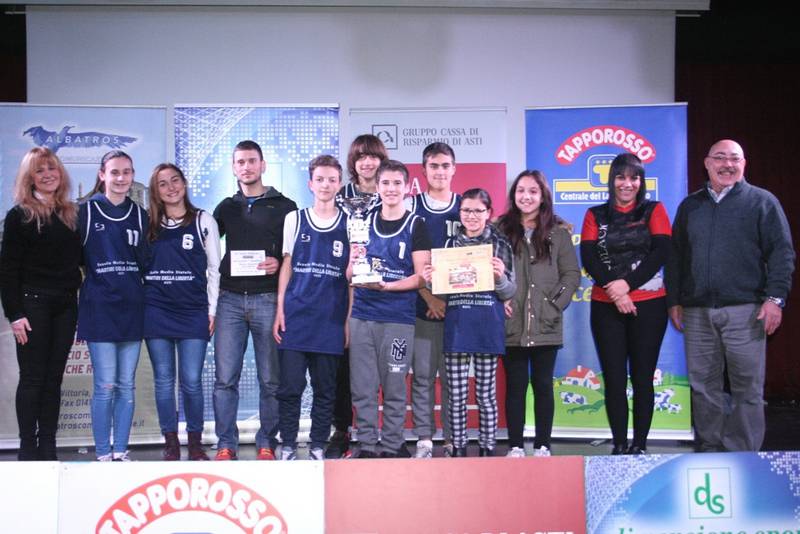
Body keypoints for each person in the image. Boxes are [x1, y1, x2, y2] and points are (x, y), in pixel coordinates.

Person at [665, 139, 795, 452]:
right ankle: (710, 449)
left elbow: (782, 253)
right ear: (707, 164)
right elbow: (676, 256)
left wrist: (775, 299)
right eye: (720, 158)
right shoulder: (690, 206)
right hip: (697, 313)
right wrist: (675, 300)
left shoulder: (762, 202)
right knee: (703, 388)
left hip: (747, 312)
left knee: (747, 389)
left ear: (744, 164)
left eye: (734, 158)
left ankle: (743, 453)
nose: (727, 164)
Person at [580, 153, 671, 455]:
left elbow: (661, 253)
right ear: (612, 180)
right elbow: (590, 258)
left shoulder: (654, 209)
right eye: (621, 177)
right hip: (605, 306)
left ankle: (639, 445)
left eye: (634, 177)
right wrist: (617, 293)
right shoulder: (595, 214)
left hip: (650, 305)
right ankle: (619, 444)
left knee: (643, 378)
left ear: (641, 181)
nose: (627, 183)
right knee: (615, 379)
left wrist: (626, 286)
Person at [212, 140, 297, 461]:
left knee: (270, 379)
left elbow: (294, 256)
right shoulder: (225, 208)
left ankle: (266, 442)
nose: (246, 167)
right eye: (239, 162)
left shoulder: (285, 206)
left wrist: (277, 261)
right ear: (233, 168)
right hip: (230, 300)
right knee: (225, 379)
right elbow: (205, 249)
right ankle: (225, 444)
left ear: (262, 166)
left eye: (251, 161)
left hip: (267, 299)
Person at [0, 147, 81, 460]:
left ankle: (47, 444)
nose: (48, 175)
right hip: (32, 307)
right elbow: (8, 269)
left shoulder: (70, 214)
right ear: (29, 178)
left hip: (65, 306)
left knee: (54, 379)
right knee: (33, 378)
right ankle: (27, 447)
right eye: (40, 171)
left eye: (53, 169)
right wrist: (15, 314)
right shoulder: (19, 215)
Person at [348, 159, 431, 458]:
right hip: (363, 316)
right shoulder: (362, 221)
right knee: (364, 387)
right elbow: (350, 275)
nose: (391, 189)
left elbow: (422, 276)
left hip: (398, 318)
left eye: (397, 183)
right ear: (377, 186)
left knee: (395, 385)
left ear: (407, 187)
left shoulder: (416, 225)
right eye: (386, 183)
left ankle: (394, 444)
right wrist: (355, 261)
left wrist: (388, 286)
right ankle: (368, 445)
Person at [427, 188, 515, 457]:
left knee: (486, 396)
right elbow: (441, 292)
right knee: (456, 396)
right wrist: (431, 280)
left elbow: (509, 292)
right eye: (466, 210)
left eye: (478, 210)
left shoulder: (501, 245)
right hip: (457, 328)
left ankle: (488, 448)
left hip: (487, 327)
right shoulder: (449, 247)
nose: (472, 216)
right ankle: (459, 448)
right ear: (460, 213)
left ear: (489, 213)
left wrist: (500, 278)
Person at [497, 170, 580, 458]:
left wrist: (553, 305)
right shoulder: (500, 229)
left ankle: (543, 444)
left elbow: (570, 275)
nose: (526, 196)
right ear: (513, 195)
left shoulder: (558, 232)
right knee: (516, 387)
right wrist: (500, 301)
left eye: (533, 191)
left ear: (543, 196)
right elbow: (489, 270)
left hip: (547, 322)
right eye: (521, 190)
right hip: (511, 323)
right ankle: (516, 446)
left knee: (544, 385)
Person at [273, 155, 350, 461]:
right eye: (320, 179)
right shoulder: (295, 218)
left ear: (340, 184)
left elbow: (352, 278)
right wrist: (280, 308)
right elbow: (287, 265)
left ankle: (319, 442)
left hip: (330, 318)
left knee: (325, 389)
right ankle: (288, 443)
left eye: (332, 179)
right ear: (310, 184)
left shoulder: (349, 222)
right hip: (297, 315)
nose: (326, 185)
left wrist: (346, 321)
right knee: (290, 387)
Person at [144, 163, 220, 461]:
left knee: (191, 379)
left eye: (175, 180)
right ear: (156, 191)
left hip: (193, 311)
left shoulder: (203, 220)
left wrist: (211, 310)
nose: (171, 187)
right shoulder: (148, 224)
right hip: (157, 310)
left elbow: (215, 268)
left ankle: (196, 441)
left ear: (185, 184)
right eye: (163, 184)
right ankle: (171, 441)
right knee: (164, 380)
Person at [78, 150, 149, 461]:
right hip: (100, 308)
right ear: (102, 174)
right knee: (105, 384)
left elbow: (145, 262)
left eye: (127, 172)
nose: (121, 178)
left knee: (125, 385)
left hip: (132, 308)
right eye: (115, 172)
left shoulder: (140, 215)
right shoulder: (86, 212)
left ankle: (120, 450)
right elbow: (74, 259)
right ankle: (103, 453)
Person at [326, 134, 388, 459]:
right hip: (343, 289)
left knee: (380, 367)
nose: (367, 162)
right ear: (353, 162)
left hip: (383, 291)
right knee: (343, 364)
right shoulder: (339, 197)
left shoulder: (391, 194)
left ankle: (381, 433)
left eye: (373, 156)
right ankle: (342, 429)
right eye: (361, 157)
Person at [405, 142, 461, 458]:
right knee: (423, 376)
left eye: (445, 165)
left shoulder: (465, 207)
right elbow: (405, 263)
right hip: (421, 305)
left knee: (452, 378)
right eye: (433, 166)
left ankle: (454, 438)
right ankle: (425, 437)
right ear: (423, 170)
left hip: (457, 309)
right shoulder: (412, 208)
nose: (440, 171)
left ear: (454, 169)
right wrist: (428, 296)